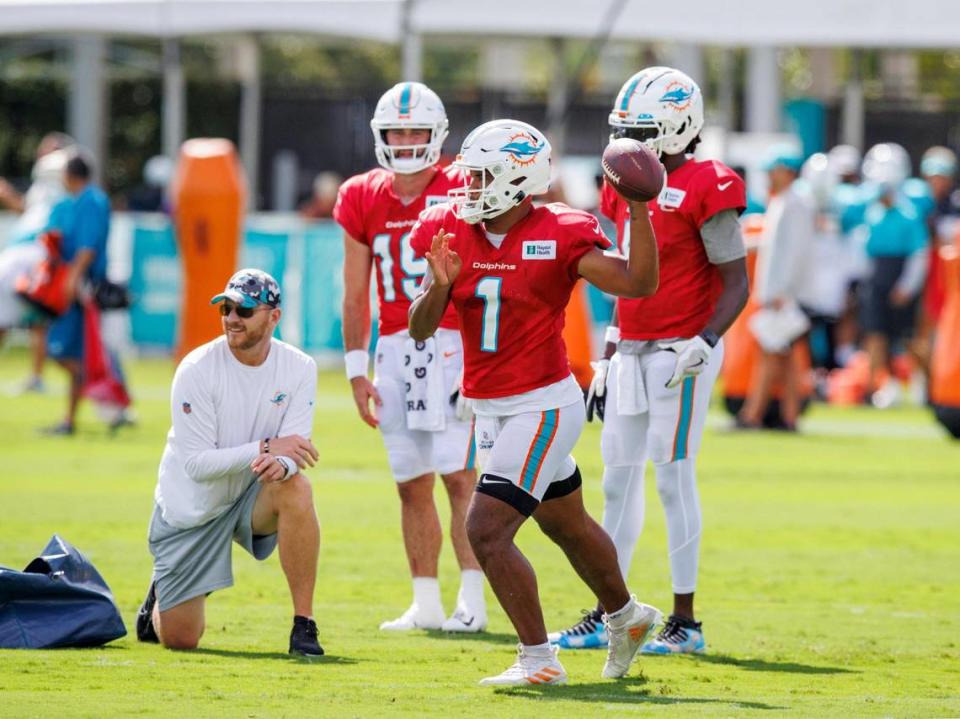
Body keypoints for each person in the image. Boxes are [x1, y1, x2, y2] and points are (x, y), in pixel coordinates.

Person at [408, 118, 662, 686]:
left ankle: (538, 659)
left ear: (516, 179)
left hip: (544, 404)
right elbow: (421, 328)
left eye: (479, 176)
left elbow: (638, 284)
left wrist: (639, 211)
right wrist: (440, 286)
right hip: (491, 406)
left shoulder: (563, 231)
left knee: (486, 531)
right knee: (566, 524)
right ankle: (628, 616)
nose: (467, 187)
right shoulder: (451, 229)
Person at [549, 67, 749, 655]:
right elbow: (626, 278)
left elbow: (737, 282)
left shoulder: (711, 183)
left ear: (678, 126)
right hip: (632, 348)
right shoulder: (621, 184)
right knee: (615, 484)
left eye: (641, 129)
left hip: (682, 350)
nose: (629, 141)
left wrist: (706, 341)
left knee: (673, 479)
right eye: (625, 128)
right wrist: (609, 351)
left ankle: (686, 623)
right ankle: (612, 609)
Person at [333, 82, 485, 632]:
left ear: (437, 134)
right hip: (395, 349)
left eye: (416, 130)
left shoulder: (464, 185)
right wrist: (356, 369)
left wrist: (477, 364)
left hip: (451, 343)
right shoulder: (360, 195)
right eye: (397, 131)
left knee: (460, 477)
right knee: (410, 479)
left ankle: (473, 600)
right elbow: (354, 291)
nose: (405, 140)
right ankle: (426, 602)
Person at [135, 269, 323, 656]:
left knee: (297, 487)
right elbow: (197, 465)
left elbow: (294, 450)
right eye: (227, 308)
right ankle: (160, 592)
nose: (232, 318)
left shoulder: (300, 367)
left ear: (274, 317)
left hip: (248, 497)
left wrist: (282, 465)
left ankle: (303, 624)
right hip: (191, 509)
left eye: (245, 309)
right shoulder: (196, 368)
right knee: (181, 640)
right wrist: (268, 448)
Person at [738, 146, 815, 430]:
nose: (769, 176)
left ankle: (753, 415)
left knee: (771, 354)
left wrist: (784, 291)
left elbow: (796, 251)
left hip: (783, 295)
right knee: (784, 357)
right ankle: (787, 416)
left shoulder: (795, 203)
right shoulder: (785, 201)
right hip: (779, 293)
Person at [41, 152, 113, 434]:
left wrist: (72, 279)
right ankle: (77, 415)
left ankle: (100, 397)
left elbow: (87, 246)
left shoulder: (90, 201)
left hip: (81, 286)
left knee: (67, 350)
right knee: (82, 350)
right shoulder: (81, 201)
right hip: (78, 281)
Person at [0, 132, 74, 392]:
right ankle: (37, 376)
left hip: (33, 253)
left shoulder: (60, 181)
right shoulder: (42, 184)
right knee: (31, 319)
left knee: (35, 319)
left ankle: (38, 376)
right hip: (24, 252)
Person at [858, 143, 929, 408]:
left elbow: (918, 254)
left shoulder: (909, 214)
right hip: (877, 278)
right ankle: (876, 386)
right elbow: (865, 251)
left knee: (908, 338)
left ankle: (928, 380)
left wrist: (907, 286)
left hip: (900, 277)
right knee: (875, 334)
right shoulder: (872, 213)